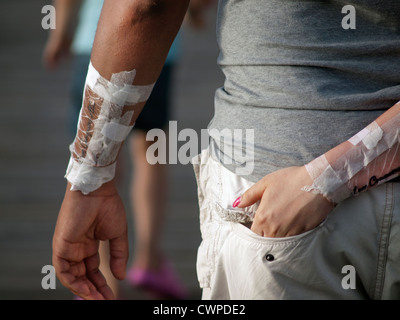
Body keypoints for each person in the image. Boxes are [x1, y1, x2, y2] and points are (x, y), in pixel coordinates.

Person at [51, 0, 400, 300]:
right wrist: (330, 176)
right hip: (278, 209)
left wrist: (89, 179)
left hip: (269, 199)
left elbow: (145, 7)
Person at [43, 0, 211, 299]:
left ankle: (105, 277)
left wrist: (58, 33)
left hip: (95, 46)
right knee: (151, 155)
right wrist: (196, 12)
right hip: (160, 50)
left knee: (106, 160)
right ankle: (148, 258)